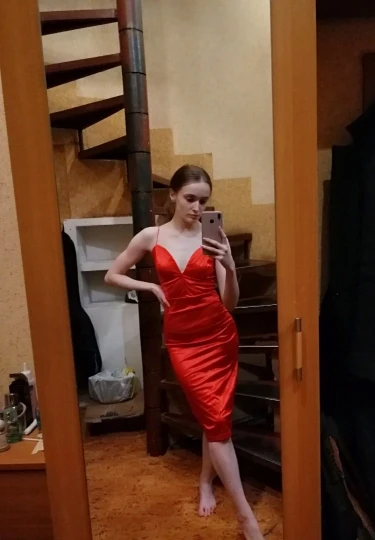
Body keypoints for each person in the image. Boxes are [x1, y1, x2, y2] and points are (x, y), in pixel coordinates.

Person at [105, 165, 264, 539]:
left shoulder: (214, 237)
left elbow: (230, 304)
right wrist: (149, 287)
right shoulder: (151, 235)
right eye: (190, 198)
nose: (197, 207)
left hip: (218, 336)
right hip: (182, 343)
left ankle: (239, 512)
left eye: (204, 201)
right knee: (214, 417)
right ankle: (222, 495)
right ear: (173, 195)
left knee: (215, 419)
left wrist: (229, 266)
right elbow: (113, 274)